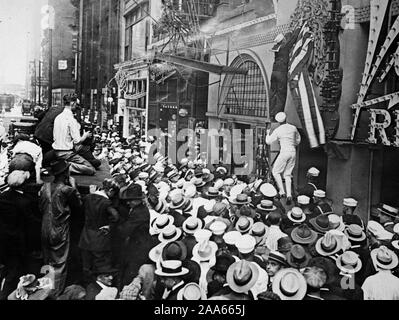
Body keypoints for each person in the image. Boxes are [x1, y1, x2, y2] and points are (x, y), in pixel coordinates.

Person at [39, 160, 83, 298]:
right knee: (59, 263)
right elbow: (79, 205)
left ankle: (44, 291)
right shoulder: (66, 190)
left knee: (47, 262)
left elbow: (40, 207)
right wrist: (74, 186)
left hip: (45, 227)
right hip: (59, 230)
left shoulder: (44, 187)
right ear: (65, 173)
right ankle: (55, 294)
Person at [0, 170, 37, 300]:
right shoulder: (24, 202)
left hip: (3, 239)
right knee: (14, 272)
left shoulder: (2, 197)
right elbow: (31, 223)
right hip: (17, 242)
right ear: (24, 185)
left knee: (8, 268)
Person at [78, 179, 120, 285]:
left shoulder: (87, 197)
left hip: (86, 236)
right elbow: (116, 216)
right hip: (100, 238)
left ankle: (87, 286)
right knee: (101, 265)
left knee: (86, 265)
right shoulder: (106, 203)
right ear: (110, 190)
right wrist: (110, 226)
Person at [117, 184, 156, 289]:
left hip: (139, 249)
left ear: (138, 200)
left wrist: (113, 226)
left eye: (131, 200)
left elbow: (125, 231)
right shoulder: (137, 209)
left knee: (130, 275)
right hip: (137, 244)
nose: (128, 202)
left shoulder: (139, 213)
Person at [52, 94, 96, 176]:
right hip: (66, 153)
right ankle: (67, 166)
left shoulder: (58, 117)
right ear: (72, 103)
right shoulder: (71, 119)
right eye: (76, 104)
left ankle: (64, 164)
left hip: (56, 152)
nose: (77, 107)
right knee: (91, 169)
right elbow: (77, 141)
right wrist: (85, 135)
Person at [266, 112, 301, 205]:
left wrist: (267, 132)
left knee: (275, 172)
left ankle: (282, 192)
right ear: (286, 118)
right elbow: (298, 139)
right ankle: (289, 195)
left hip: (284, 152)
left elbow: (268, 141)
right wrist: (294, 144)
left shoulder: (278, 130)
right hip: (293, 152)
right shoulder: (293, 128)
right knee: (288, 174)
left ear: (278, 121)